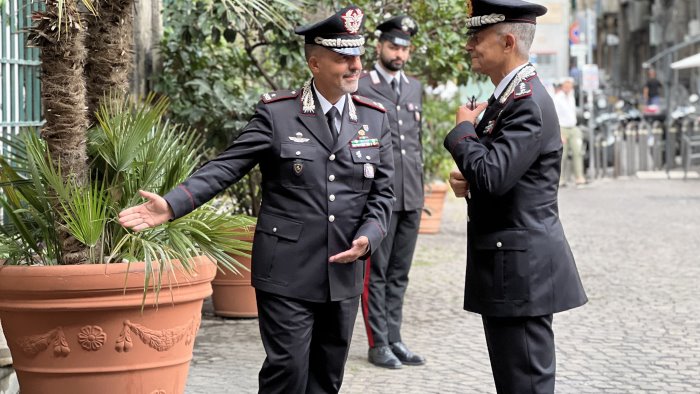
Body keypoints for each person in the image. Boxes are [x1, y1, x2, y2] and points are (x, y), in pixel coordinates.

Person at [118, 6, 395, 393]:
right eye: (342, 58)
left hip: (343, 272)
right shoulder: (278, 115)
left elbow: (383, 194)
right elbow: (227, 166)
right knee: (288, 371)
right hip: (286, 270)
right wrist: (173, 203)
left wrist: (369, 236)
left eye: (357, 56)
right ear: (315, 63)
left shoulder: (375, 118)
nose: (355, 66)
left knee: (327, 377)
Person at [442, 0, 587, 392]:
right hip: (510, 265)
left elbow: (493, 175)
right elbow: (504, 174)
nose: (469, 45)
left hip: (522, 271)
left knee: (525, 384)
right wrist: (470, 179)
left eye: (477, 37)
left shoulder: (525, 103)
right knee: (514, 381)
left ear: (508, 42)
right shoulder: (508, 99)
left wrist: (462, 133)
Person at [356, 15, 425, 369]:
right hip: (379, 197)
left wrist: (422, 189)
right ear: (380, 46)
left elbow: (417, 143)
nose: (399, 53)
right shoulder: (362, 86)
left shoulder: (413, 88)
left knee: (400, 273)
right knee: (376, 274)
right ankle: (377, 342)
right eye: (394, 46)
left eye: (405, 48)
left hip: (411, 194)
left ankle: (396, 338)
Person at [554, 77, 586, 186]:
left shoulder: (571, 96)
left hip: (573, 127)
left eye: (570, 85)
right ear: (563, 86)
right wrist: (559, 133)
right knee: (563, 155)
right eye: (566, 85)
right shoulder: (557, 98)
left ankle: (579, 176)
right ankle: (561, 179)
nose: (568, 87)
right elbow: (555, 116)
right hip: (562, 128)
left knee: (578, 152)